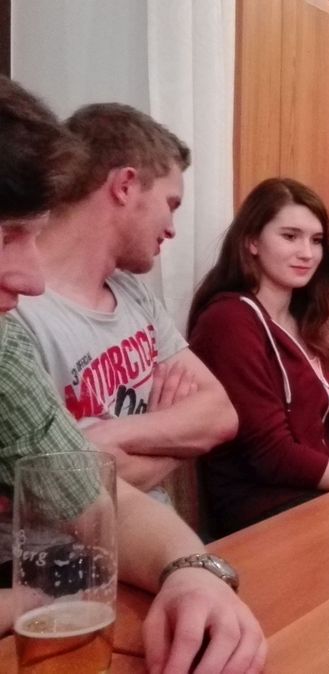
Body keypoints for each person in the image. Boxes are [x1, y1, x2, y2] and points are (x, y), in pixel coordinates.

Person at [0, 75, 266, 673]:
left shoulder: (3, 351)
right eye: (7, 235)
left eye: (32, 235)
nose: (31, 280)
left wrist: (193, 571)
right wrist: (30, 597)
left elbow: (90, 496)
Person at [12, 102, 237, 494]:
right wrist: (174, 437)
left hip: (158, 526)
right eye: (170, 205)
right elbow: (57, 484)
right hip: (80, 534)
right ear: (126, 185)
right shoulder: (17, 309)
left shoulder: (134, 293)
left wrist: (106, 437)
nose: (172, 229)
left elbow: (220, 414)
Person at [187, 178, 329, 536]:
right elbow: (271, 454)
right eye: (290, 236)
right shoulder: (229, 320)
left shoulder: (312, 320)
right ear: (252, 241)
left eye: (316, 240)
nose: (308, 253)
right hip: (268, 509)